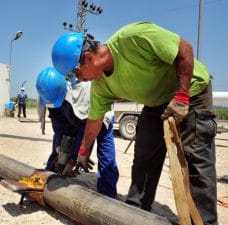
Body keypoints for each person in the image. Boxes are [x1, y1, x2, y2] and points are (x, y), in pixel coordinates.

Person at [51, 22, 218, 224]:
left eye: (76, 74)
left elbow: (185, 49)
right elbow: (94, 121)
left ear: (88, 58)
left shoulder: (132, 38)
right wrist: (83, 153)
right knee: (144, 159)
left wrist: (182, 97)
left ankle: (203, 221)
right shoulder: (101, 85)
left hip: (191, 91)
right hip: (156, 102)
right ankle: (134, 215)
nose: (79, 80)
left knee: (194, 162)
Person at [36, 66, 119, 198]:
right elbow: (59, 130)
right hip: (75, 111)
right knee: (60, 145)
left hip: (100, 112)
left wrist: (76, 158)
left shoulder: (82, 92)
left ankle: (107, 193)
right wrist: (59, 151)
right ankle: (52, 171)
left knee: (104, 147)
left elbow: (85, 132)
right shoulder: (46, 91)